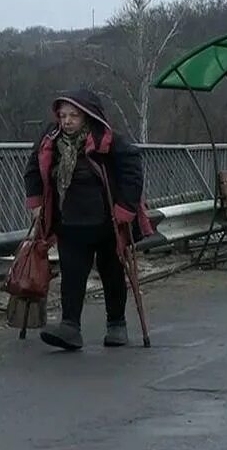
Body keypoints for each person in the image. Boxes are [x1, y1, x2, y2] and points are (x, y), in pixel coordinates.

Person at [23, 88, 149, 351]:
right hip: (69, 223)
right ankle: (70, 327)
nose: (66, 121)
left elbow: (132, 169)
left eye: (73, 116)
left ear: (87, 116)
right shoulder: (51, 139)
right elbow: (33, 168)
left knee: (112, 272)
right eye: (63, 115)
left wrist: (126, 207)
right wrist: (35, 203)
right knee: (72, 275)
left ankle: (117, 324)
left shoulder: (107, 139)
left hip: (107, 223)